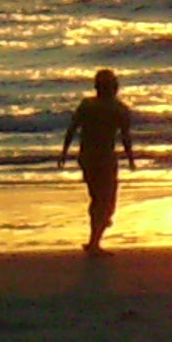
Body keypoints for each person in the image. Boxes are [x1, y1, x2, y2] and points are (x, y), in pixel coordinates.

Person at [59, 69, 135, 256]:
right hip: (105, 159)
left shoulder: (87, 105)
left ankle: (95, 238)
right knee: (106, 201)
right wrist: (131, 159)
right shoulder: (119, 109)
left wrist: (64, 152)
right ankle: (95, 240)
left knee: (97, 199)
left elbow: (72, 130)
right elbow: (126, 138)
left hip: (87, 158)